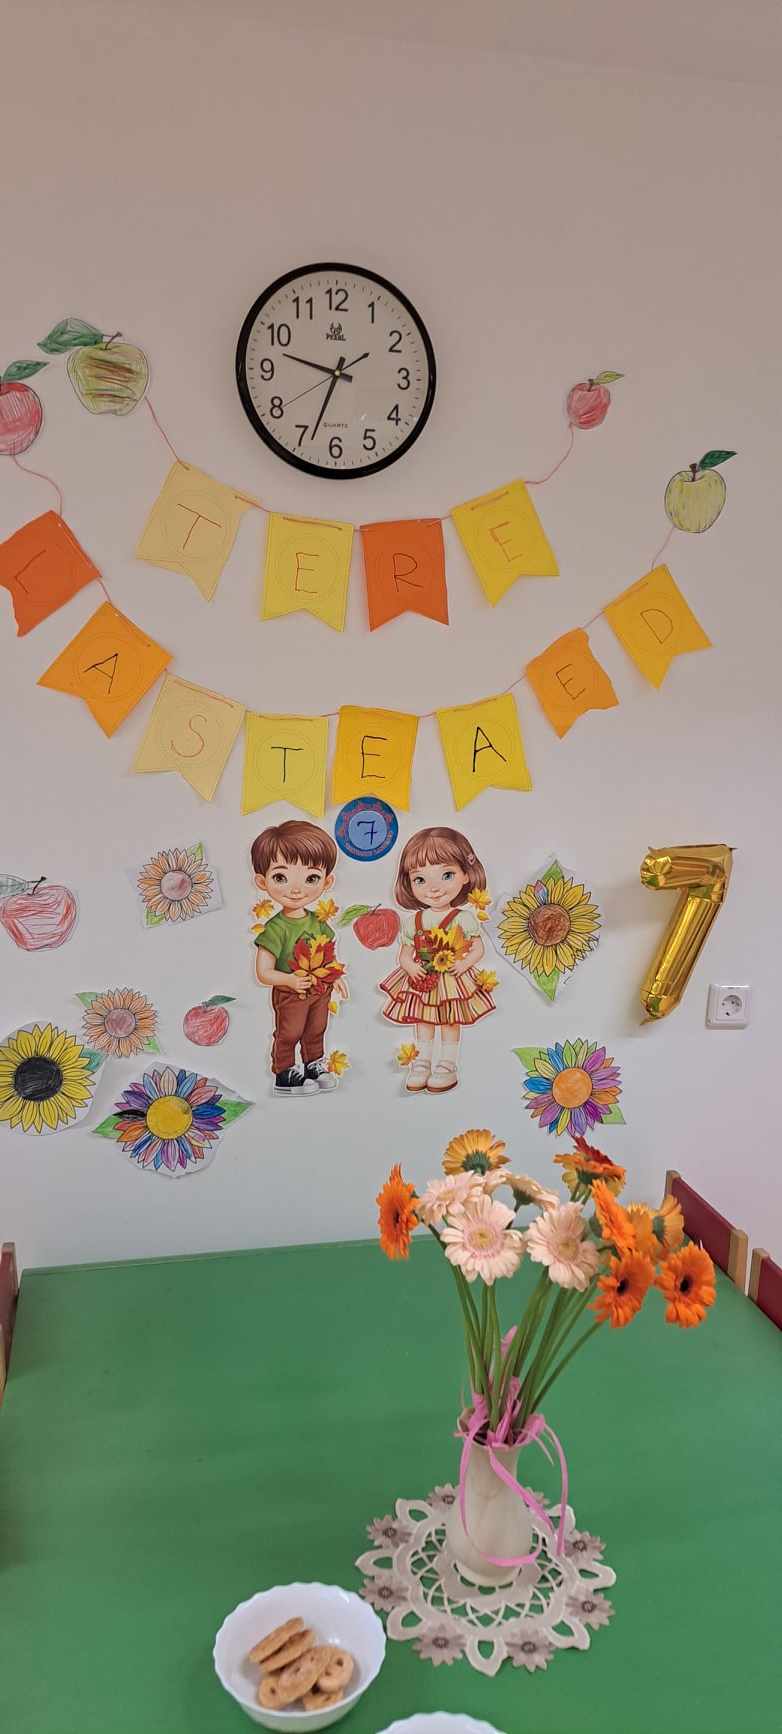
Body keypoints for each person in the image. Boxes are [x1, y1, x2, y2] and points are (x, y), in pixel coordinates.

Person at [380, 825, 495, 1094]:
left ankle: (447, 1063)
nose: (433, 888)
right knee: (424, 1019)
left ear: (466, 875)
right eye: (420, 879)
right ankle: (422, 1061)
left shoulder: (463, 918)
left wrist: (463, 964)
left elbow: (478, 949)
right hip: (423, 978)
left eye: (446, 875)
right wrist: (410, 967)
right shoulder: (414, 921)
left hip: (452, 977)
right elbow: (404, 954)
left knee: (450, 1019)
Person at [251, 820, 348, 1097]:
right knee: (290, 1031)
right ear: (262, 881)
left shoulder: (318, 922)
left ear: (327, 882)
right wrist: (290, 980)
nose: (296, 889)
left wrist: (335, 976)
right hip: (291, 993)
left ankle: (313, 1064)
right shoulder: (276, 928)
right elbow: (263, 972)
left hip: (319, 990)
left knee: (317, 1028)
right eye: (281, 877)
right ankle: (284, 1072)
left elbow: (328, 954)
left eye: (311, 878)